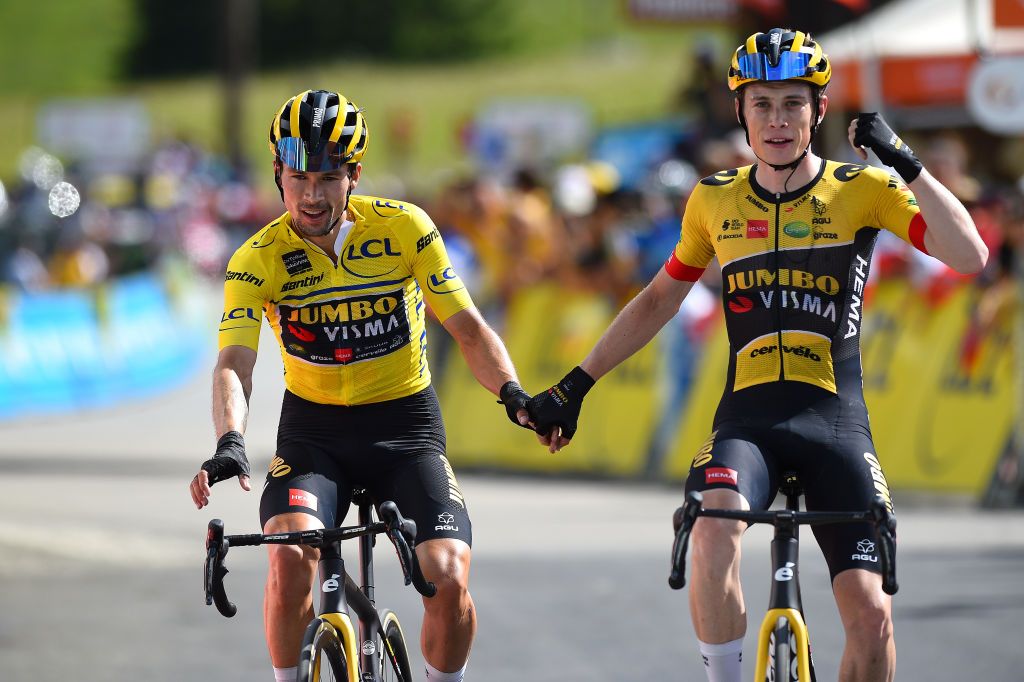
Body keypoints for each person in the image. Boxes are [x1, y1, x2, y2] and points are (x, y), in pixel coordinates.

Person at [526, 29, 988, 682]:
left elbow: (970, 257)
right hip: (748, 425)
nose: (777, 120)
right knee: (714, 533)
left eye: (793, 104)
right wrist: (575, 386)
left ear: (818, 111)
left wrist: (905, 163)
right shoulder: (714, 198)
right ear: (740, 112)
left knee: (872, 614)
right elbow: (658, 301)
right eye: (762, 104)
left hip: (834, 423)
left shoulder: (862, 190)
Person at [188, 89, 533, 682]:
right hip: (313, 437)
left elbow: (469, 329)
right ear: (278, 174)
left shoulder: (404, 228)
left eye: (327, 177)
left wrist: (513, 394)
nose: (311, 195)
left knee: (447, 577)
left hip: (406, 430)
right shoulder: (257, 258)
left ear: (355, 175)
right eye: (297, 177)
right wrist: (230, 440)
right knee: (290, 556)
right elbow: (234, 363)